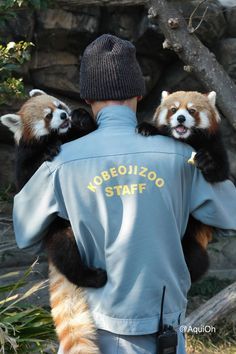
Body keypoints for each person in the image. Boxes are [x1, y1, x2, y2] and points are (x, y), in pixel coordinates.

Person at [13, 34, 236, 354]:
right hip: (166, 333)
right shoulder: (183, 156)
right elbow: (229, 215)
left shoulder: (60, 160)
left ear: (87, 98)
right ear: (139, 93)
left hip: (92, 331)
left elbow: (25, 232)